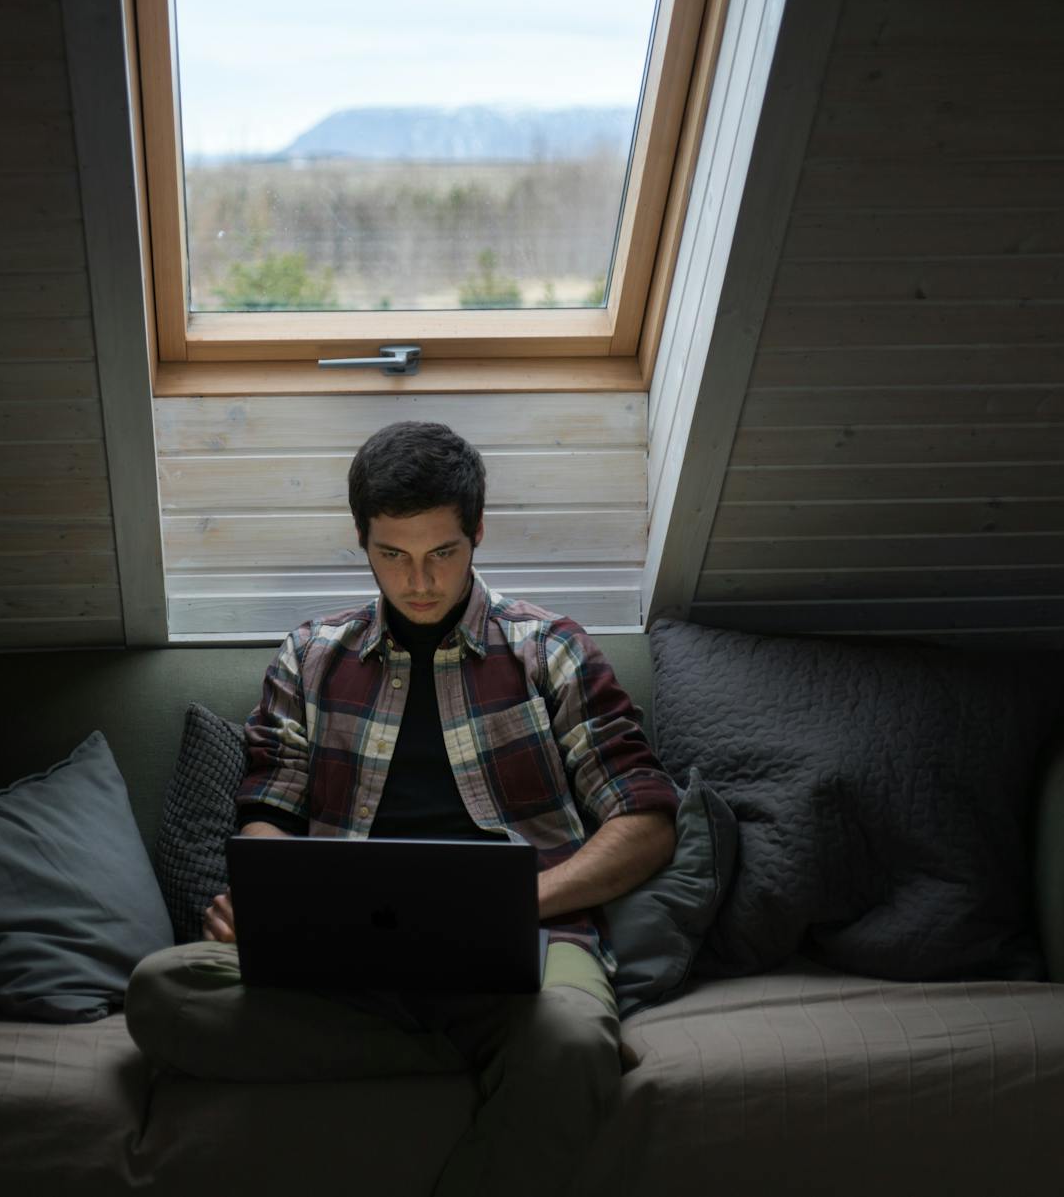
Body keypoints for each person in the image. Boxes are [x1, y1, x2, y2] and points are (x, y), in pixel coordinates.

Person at [125, 420, 680, 1197]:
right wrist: (265, 896)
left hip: (530, 947)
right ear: (362, 540)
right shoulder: (311, 655)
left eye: (442, 553)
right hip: (348, 963)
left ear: (477, 532)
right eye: (393, 554)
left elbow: (647, 819)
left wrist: (527, 899)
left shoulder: (551, 648)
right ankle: (489, 1054)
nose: (419, 581)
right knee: (161, 992)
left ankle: (533, 1049)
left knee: (570, 1035)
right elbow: (270, 810)